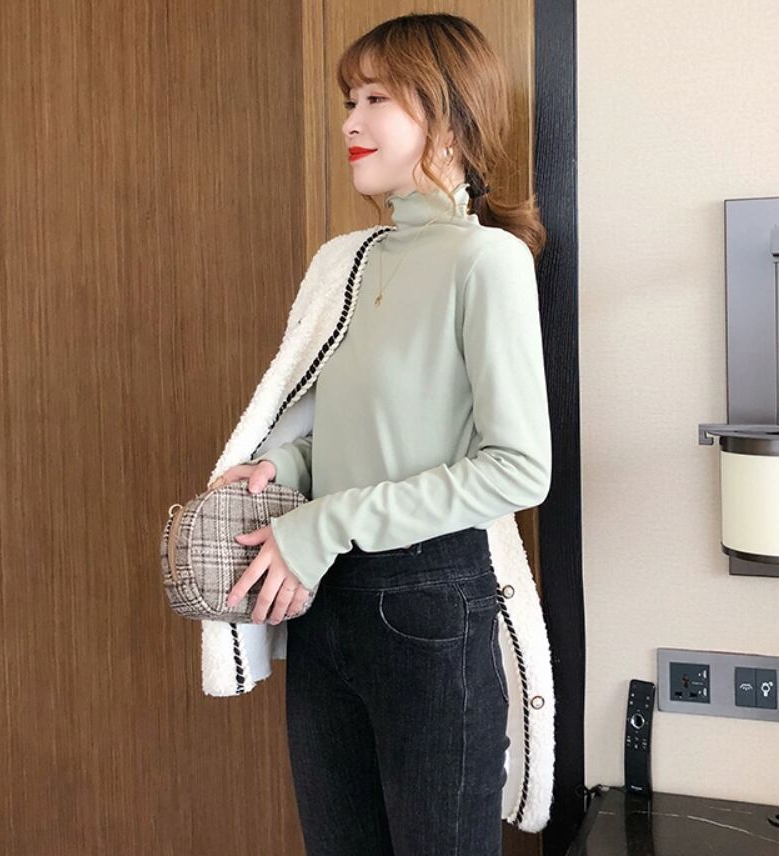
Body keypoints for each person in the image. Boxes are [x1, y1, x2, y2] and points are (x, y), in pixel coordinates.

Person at [209, 12, 551, 855]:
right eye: (347, 101)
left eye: (375, 99)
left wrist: (323, 523)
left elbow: (516, 469)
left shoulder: (487, 262)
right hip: (323, 600)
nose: (349, 123)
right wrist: (285, 465)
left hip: (429, 606)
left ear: (450, 116)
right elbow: (360, 427)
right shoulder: (346, 261)